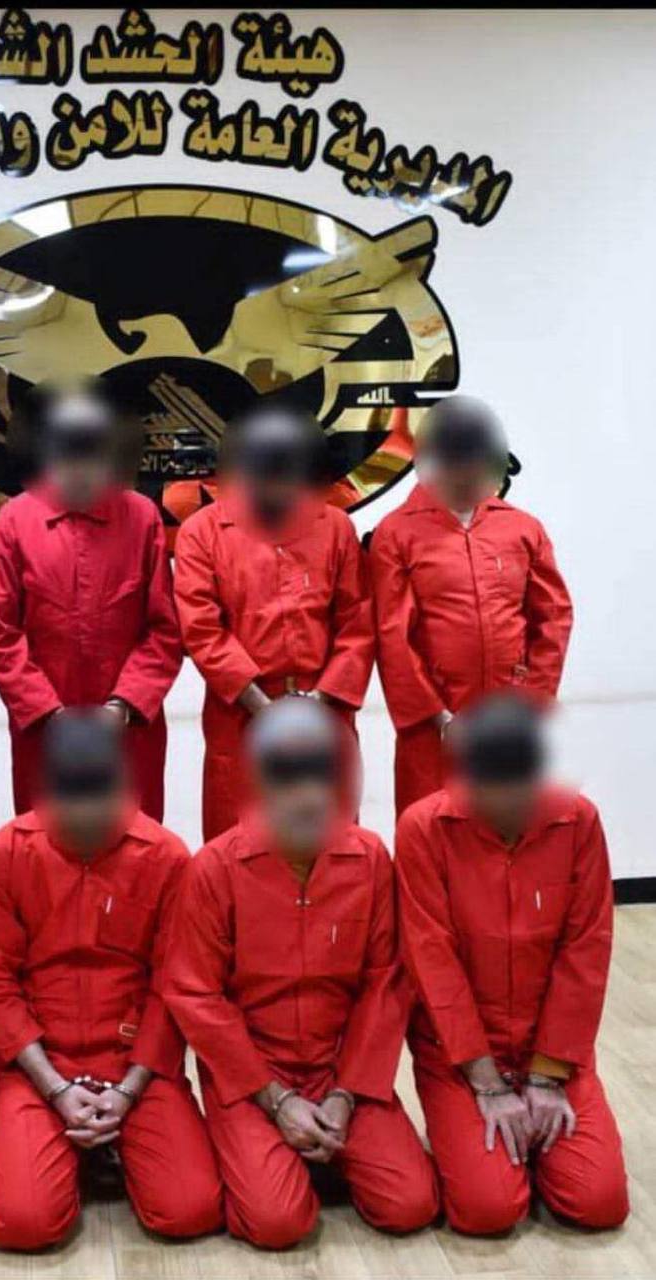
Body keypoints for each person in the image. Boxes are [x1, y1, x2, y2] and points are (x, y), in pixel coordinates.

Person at [165, 698, 438, 1248]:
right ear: (261, 787)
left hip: (341, 1071)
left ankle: (314, 1152)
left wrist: (346, 1093)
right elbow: (196, 994)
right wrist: (276, 1098)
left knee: (411, 1205)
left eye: (322, 781)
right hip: (252, 1076)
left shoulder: (370, 860)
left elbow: (385, 984)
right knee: (277, 1223)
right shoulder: (214, 868)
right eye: (291, 783)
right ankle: (282, 1158)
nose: (310, 799)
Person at [0, 710, 223, 1250]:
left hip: (136, 1064)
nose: (86, 826)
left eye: (102, 808)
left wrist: (129, 1089)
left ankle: (103, 1146)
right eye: (69, 811)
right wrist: (55, 1087)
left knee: (191, 1210)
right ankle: (78, 1150)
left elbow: (173, 985)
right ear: (44, 794)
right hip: (39, 1064)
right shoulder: (1, 858)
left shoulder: (167, 858)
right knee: (24, 1223)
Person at [395, 695, 628, 1234]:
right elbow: (433, 961)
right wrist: (488, 1084)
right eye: (490, 790)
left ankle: (537, 1143)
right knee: (488, 1210)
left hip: (553, 1051)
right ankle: (500, 1146)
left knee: (599, 1204)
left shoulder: (578, 821)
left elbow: (585, 952)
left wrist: (547, 1077)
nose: (508, 805)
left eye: (520, 789)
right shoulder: (424, 828)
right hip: (461, 1057)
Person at [174, 403, 374, 841]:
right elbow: (202, 629)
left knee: (331, 842)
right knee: (238, 844)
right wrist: (261, 706)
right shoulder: (202, 533)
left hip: (325, 712)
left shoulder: (335, 527)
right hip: (240, 715)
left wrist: (320, 700)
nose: (278, 489)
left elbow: (357, 623)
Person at [0, 382, 182, 821]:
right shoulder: (14, 521)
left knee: (136, 839)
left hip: (128, 726)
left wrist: (124, 704)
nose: (80, 474)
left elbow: (164, 629)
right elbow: (2, 634)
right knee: (46, 840)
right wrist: (46, 711)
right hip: (44, 729)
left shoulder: (141, 517)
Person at [368, 395, 573, 815]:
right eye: (458, 466)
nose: (469, 477)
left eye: (478, 465)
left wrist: (530, 703)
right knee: (431, 827)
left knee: (510, 829)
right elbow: (393, 634)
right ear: (435, 463)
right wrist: (437, 716)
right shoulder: (397, 534)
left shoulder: (522, 529)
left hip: (509, 721)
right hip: (434, 730)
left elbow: (553, 617)